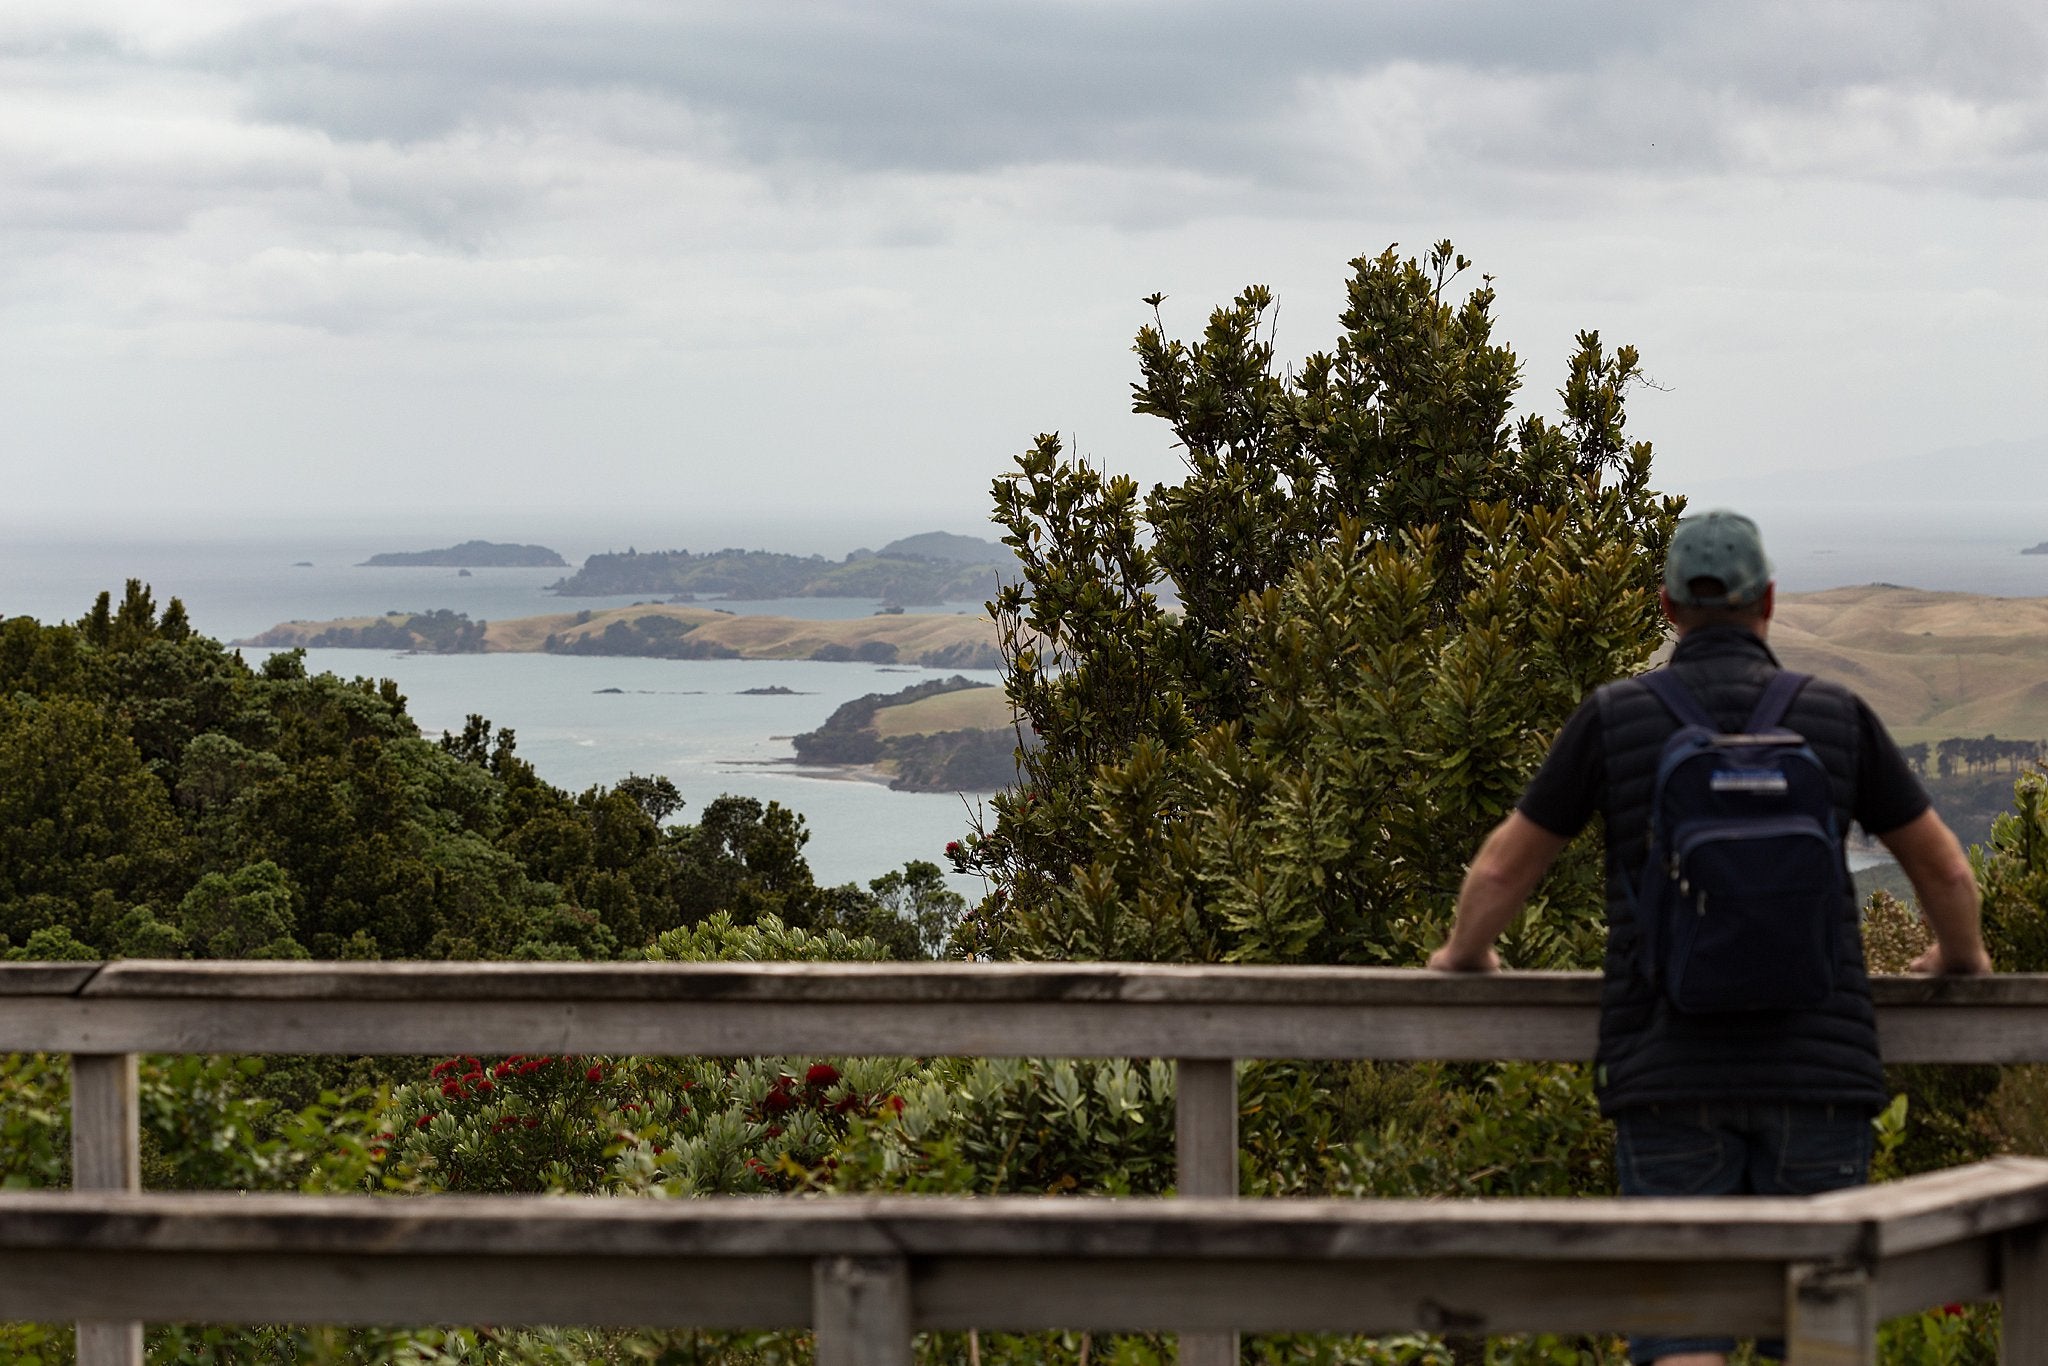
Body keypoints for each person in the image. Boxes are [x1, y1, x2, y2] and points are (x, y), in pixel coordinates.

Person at [1427, 508, 1991, 1366]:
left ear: (1665, 607)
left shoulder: (1616, 718)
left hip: (1669, 1073)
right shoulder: (1834, 718)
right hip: (1820, 1078)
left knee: (1683, 1332)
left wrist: (1464, 955)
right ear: (1766, 602)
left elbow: (1506, 870)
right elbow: (1946, 872)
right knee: (1818, 1338)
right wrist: (1961, 958)